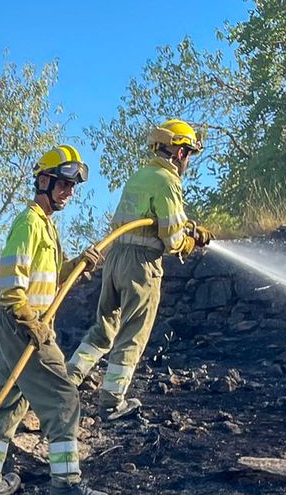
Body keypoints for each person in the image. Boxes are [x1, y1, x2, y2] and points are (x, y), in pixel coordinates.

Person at [0, 146, 111, 495]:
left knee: (7, 401)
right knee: (65, 399)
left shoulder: (46, 226)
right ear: (44, 181)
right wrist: (27, 318)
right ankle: (66, 483)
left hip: (21, 323)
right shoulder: (29, 223)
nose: (69, 192)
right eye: (63, 184)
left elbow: (52, 278)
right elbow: (12, 277)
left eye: (72, 187)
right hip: (24, 323)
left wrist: (78, 264)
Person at [67, 119, 212, 420]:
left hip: (115, 258)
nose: (187, 161)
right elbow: (171, 239)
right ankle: (111, 402)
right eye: (188, 153)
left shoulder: (140, 176)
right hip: (142, 264)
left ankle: (67, 383)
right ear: (180, 152)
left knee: (103, 328)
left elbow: (152, 218)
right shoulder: (168, 180)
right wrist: (190, 243)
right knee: (133, 332)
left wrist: (189, 229)